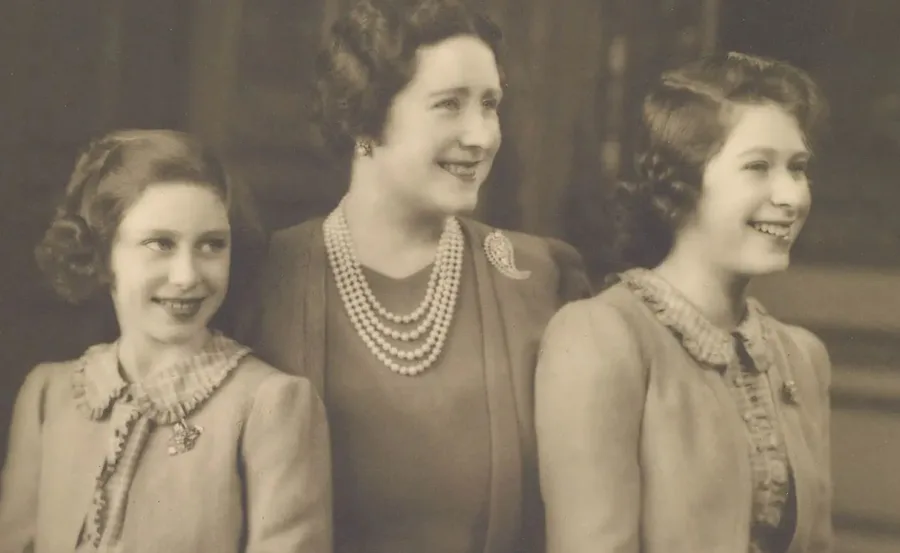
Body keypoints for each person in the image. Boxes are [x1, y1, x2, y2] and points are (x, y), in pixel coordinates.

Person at [232, 1, 591, 552]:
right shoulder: (264, 279)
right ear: (365, 117)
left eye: (490, 105)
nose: (482, 136)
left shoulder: (539, 279)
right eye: (449, 105)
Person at [535, 52, 832, 553]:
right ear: (682, 182)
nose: (792, 196)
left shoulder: (802, 358)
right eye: (758, 166)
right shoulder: (601, 337)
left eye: (798, 168)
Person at [0, 130, 332, 553]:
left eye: (212, 245)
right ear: (103, 254)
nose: (187, 276)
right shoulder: (48, 396)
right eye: (161, 243)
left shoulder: (271, 404)